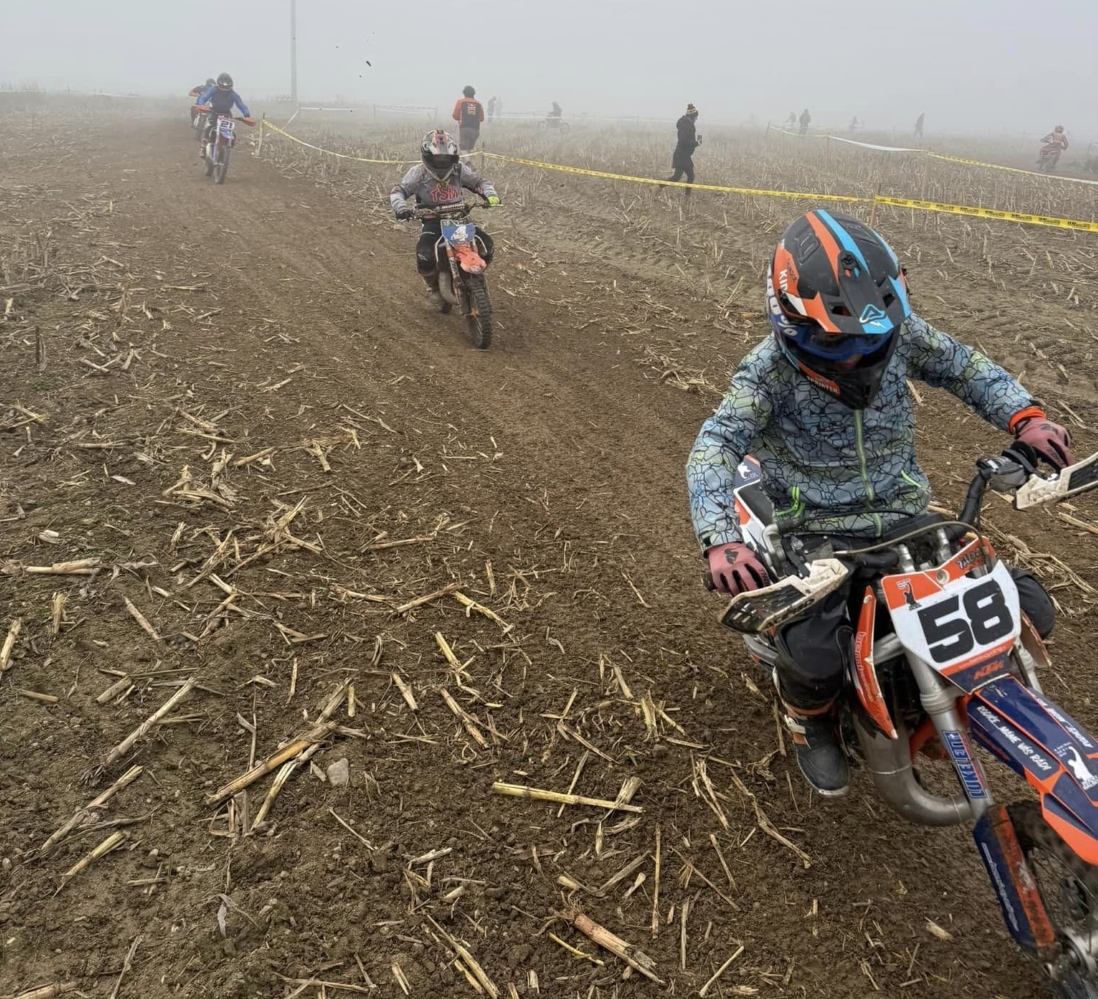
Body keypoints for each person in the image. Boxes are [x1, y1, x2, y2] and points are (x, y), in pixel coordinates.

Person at [686, 210, 1071, 796]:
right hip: (814, 529)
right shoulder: (766, 374)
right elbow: (715, 444)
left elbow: (965, 368)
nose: (854, 356)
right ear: (788, 318)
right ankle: (809, 721)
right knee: (815, 656)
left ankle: (931, 698)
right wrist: (721, 539)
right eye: (833, 340)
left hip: (905, 514)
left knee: (1026, 607)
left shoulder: (906, 337)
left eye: (870, 339)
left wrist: (1026, 415)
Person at [390, 130, 501, 310]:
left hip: (459, 218)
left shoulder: (458, 169)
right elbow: (399, 191)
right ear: (427, 156)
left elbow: (479, 182)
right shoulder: (419, 172)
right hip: (433, 220)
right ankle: (433, 287)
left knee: (487, 245)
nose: (442, 162)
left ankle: (475, 277)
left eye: (446, 158)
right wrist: (401, 208)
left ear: (454, 156)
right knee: (424, 254)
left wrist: (490, 195)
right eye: (438, 158)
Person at [196, 73, 253, 151]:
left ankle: (228, 147)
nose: (224, 90)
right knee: (209, 127)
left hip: (226, 113)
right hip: (214, 111)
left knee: (231, 132)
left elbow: (240, 104)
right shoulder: (213, 89)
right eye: (222, 88)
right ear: (218, 85)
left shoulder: (233, 94)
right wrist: (201, 105)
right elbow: (204, 97)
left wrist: (247, 115)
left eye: (226, 88)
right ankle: (203, 147)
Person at [664, 103, 700, 195]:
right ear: (692, 117)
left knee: (687, 177)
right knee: (679, 177)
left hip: (684, 155)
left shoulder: (686, 125)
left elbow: (685, 140)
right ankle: (657, 187)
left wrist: (695, 143)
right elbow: (683, 141)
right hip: (681, 156)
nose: (696, 119)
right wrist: (695, 143)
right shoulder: (687, 126)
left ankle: (687, 197)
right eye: (696, 117)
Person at [452, 86, 484, 152]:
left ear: (464, 93)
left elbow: (455, 115)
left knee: (463, 149)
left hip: (464, 128)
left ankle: (467, 158)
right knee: (471, 148)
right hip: (476, 129)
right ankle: (472, 157)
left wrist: (460, 119)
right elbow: (481, 118)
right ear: (474, 94)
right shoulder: (479, 104)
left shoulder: (460, 102)